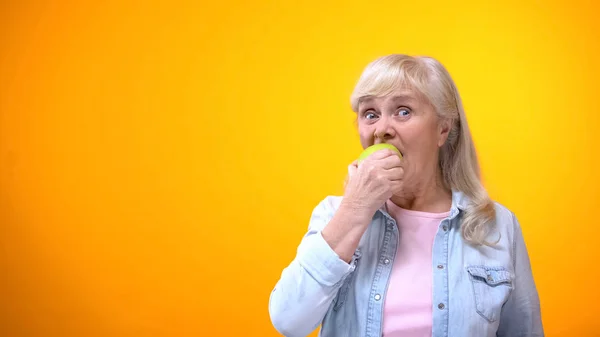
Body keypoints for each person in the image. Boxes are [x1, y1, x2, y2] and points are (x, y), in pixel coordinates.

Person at [268, 54, 543, 337]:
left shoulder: (497, 225)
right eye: (370, 114)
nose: (382, 129)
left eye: (403, 111)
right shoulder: (333, 215)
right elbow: (289, 321)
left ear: (443, 129)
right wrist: (356, 209)